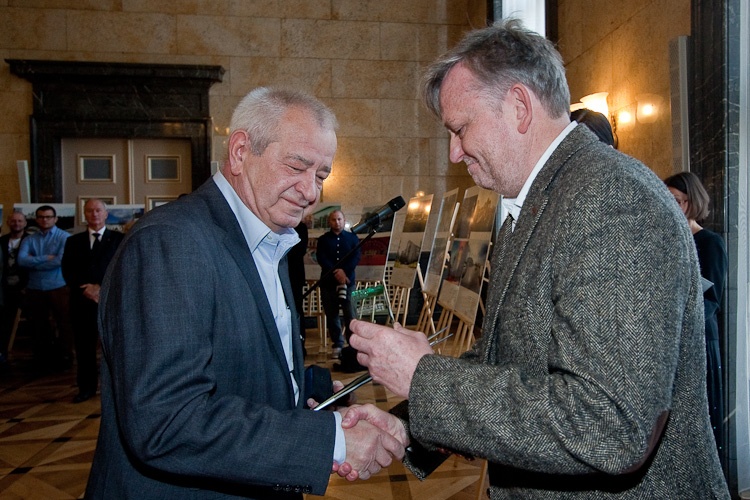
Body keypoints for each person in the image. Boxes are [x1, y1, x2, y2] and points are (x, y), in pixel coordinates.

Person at [343, 19, 729, 498]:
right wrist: (405, 427)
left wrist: (424, 378)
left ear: (519, 107)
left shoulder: (612, 198)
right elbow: (506, 362)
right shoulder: (535, 205)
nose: (455, 152)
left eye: (461, 129)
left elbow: (607, 425)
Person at [85, 87, 405, 499]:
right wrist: (331, 442)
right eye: (297, 166)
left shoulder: (270, 240)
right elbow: (168, 421)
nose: (311, 192)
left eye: (321, 176)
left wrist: (313, 396)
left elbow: (244, 364)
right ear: (240, 151)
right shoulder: (171, 241)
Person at [665, 171, 728, 460]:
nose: (671, 205)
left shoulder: (710, 242)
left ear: (692, 202)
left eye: (676, 200)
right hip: (672, 341)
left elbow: (712, 300)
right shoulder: (668, 240)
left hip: (700, 339)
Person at [61, 199, 124, 403]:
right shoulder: (73, 241)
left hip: (111, 303)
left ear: (106, 214)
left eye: (98, 210)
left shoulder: (120, 239)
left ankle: (117, 390)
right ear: (84, 214)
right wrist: (86, 289)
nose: (94, 214)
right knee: (84, 348)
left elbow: (124, 269)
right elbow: (68, 271)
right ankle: (86, 388)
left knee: (115, 349)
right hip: (82, 303)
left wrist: (101, 289)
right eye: (89, 211)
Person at [18, 206, 73, 370]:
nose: (45, 220)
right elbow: (21, 260)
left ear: (55, 219)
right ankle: (43, 357)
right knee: (38, 324)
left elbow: (60, 261)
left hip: (58, 286)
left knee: (63, 323)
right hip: (35, 287)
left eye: (48, 217)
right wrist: (45, 258)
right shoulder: (29, 239)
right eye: (41, 217)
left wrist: (34, 262)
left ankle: (65, 356)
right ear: (36, 219)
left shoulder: (65, 237)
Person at [316, 210, 361, 359]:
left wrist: (344, 272)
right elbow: (321, 258)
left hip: (348, 283)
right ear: (329, 222)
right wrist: (337, 272)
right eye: (334, 220)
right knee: (332, 315)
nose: (337, 222)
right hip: (328, 283)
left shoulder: (353, 238)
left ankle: (353, 345)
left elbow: (356, 257)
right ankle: (337, 343)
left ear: (344, 220)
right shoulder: (323, 239)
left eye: (339, 219)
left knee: (351, 314)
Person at [0, 212, 29, 366]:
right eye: (13, 221)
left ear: (25, 223)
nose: (16, 223)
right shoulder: (2, 241)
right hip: (5, 288)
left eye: (19, 221)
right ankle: (3, 352)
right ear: (8, 222)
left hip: (27, 288)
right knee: (5, 321)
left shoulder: (31, 240)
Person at [288, 220, 309, 357]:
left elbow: (300, 249)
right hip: (280, 273)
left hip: (295, 275)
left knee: (297, 310)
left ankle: (300, 345)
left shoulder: (300, 227)